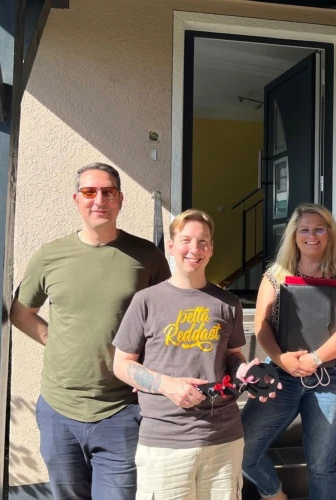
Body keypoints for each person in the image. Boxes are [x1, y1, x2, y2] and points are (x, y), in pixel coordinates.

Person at [10, 162, 171, 500]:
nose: (99, 199)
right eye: (89, 191)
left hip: (123, 409)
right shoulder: (50, 256)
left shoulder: (147, 256)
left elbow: (166, 321)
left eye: (108, 192)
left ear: (120, 199)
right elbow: (22, 313)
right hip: (59, 409)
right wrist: (56, 341)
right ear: (76, 199)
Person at [112, 209, 276, 500]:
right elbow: (122, 364)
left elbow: (232, 355)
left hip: (223, 439)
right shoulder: (146, 301)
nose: (194, 249)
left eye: (203, 242)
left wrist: (242, 372)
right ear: (171, 246)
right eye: (186, 240)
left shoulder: (228, 303)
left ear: (211, 249)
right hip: (165, 441)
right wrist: (166, 385)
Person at [241, 203, 336, 500]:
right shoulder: (274, 276)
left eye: (319, 229)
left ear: (330, 234)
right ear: (293, 235)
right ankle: (275, 495)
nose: (312, 236)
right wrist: (282, 359)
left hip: (332, 377)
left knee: (321, 465)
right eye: (305, 230)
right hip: (280, 375)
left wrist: (315, 358)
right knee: (243, 448)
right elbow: (261, 324)